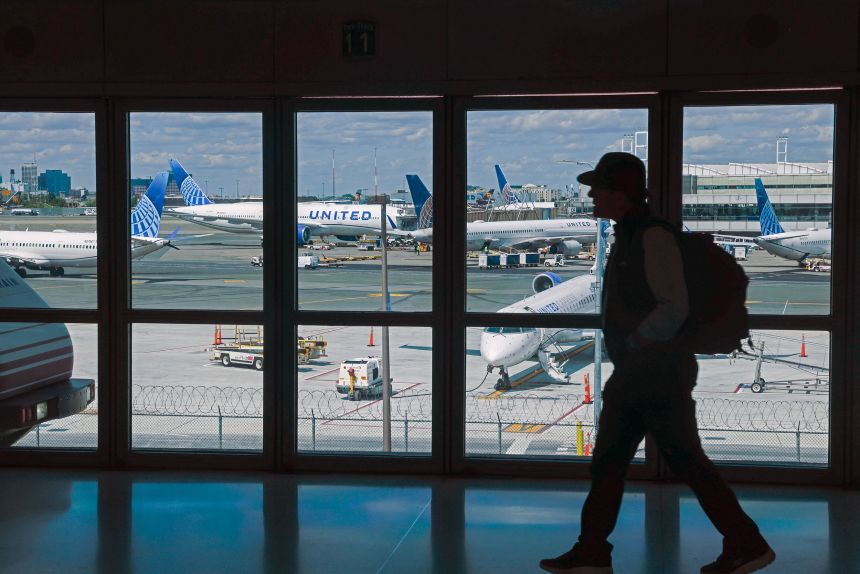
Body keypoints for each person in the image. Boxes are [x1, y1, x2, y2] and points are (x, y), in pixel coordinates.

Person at [539, 152, 775, 574]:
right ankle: (593, 549)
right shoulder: (629, 234)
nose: (591, 194)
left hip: (656, 373)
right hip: (641, 371)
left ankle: (746, 543)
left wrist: (634, 341)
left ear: (621, 195)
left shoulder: (652, 238)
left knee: (669, 461)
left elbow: (673, 306)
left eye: (599, 188)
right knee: (615, 461)